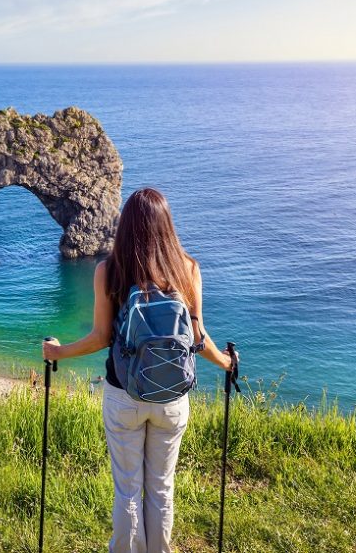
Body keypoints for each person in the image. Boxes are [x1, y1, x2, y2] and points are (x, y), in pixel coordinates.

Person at [42, 188, 235, 553]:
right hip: (172, 398)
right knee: (161, 488)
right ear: (167, 225)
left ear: (125, 225)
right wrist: (226, 362)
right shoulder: (188, 270)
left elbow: (100, 337)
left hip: (124, 395)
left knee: (128, 490)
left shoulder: (109, 271)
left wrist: (58, 352)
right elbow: (198, 337)